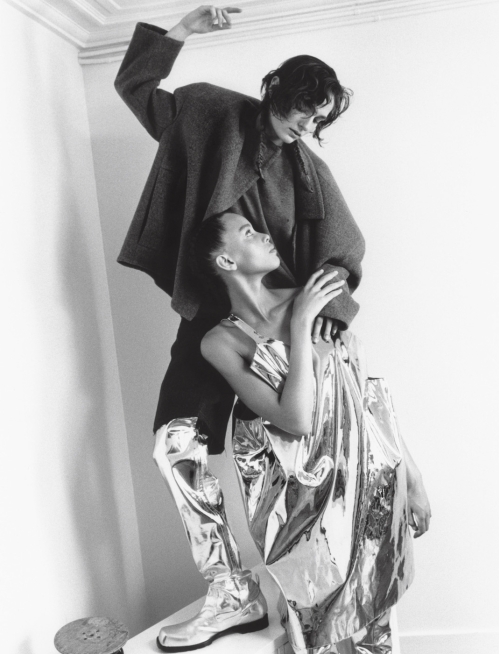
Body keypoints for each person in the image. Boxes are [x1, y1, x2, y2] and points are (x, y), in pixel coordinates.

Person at [115, 5, 366, 651]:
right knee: (176, 443)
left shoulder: (307, 171)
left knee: (284, 463)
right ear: (277, 88)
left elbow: (343, 250)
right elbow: (136, 87)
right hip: (211, 313)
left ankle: (315, 609)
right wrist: (183, 29)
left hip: (282, 325)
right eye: (305, 110)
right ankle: (230, 590)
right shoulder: (207, 113)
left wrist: (321, 318)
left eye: (320, 119)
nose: (308, 127)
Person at [154, 211, 431, 654]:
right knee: (312, 626)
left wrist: (412, 477)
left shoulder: (315, 295)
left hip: (365, 481)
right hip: (297, 506)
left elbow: (364, 397)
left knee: (373, 625)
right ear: (226, 261)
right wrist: (301, 326)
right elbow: (295, 418)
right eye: (247, 232)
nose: (265, 234)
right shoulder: (220, 342)